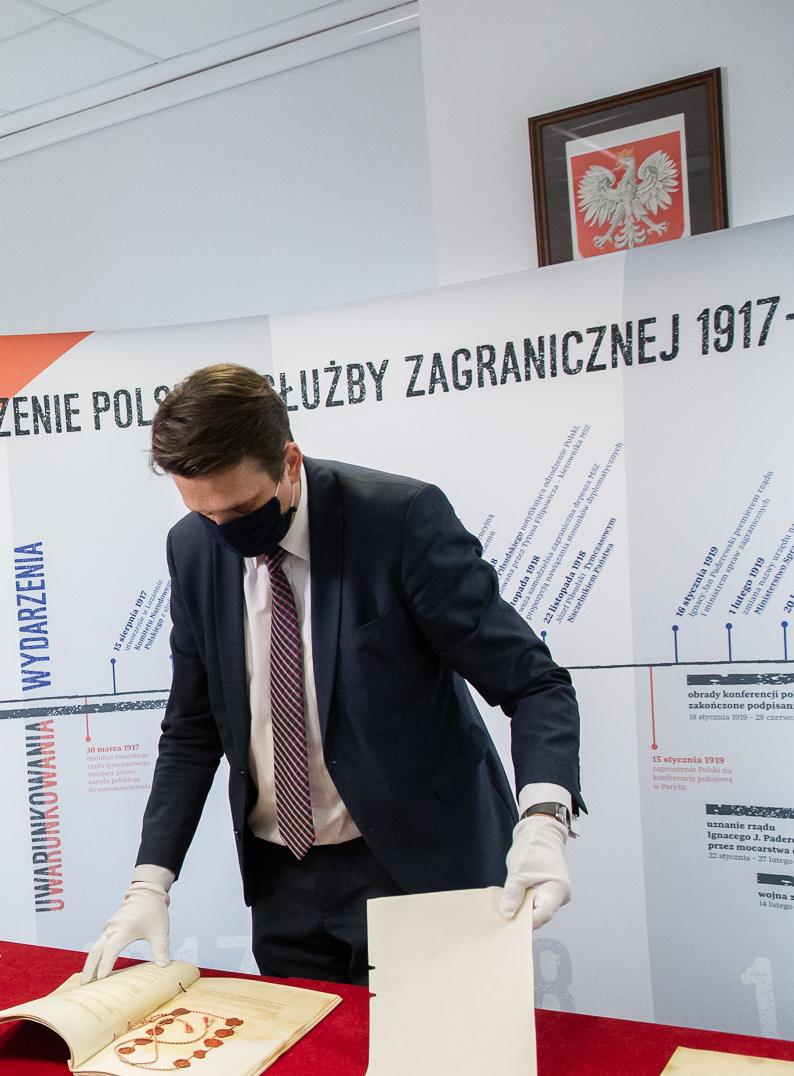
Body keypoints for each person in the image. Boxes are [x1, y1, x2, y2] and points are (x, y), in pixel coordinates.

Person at [84, 363, 580, 985]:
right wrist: (150, 882)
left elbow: (534, 684)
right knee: (304, 1051)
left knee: (445, 1047)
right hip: (285, 884)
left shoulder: (399, 521)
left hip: (423, 867)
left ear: (289, 462)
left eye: (240, 508)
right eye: (203, 513)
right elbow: (192, 725)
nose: (223, 532)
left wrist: (544, 818)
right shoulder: (192, 548)